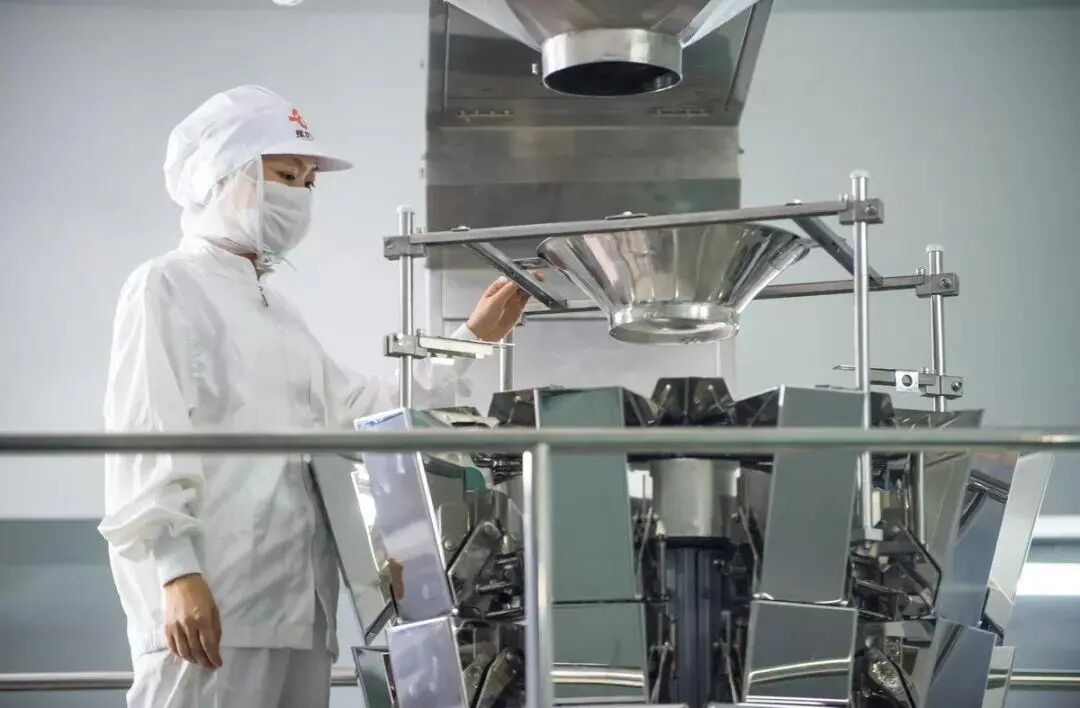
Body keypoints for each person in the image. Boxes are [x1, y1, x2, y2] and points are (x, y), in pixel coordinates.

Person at [97, 85, 530, 708]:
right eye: (285, 175)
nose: (299, 194)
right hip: (213, 605)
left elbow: (367, 414)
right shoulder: (166, 286)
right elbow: (144, 436)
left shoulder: (279, 314)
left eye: (307, 182)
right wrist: (176, 571)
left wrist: (471, 339)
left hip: (299, 612)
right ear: (224, 174)